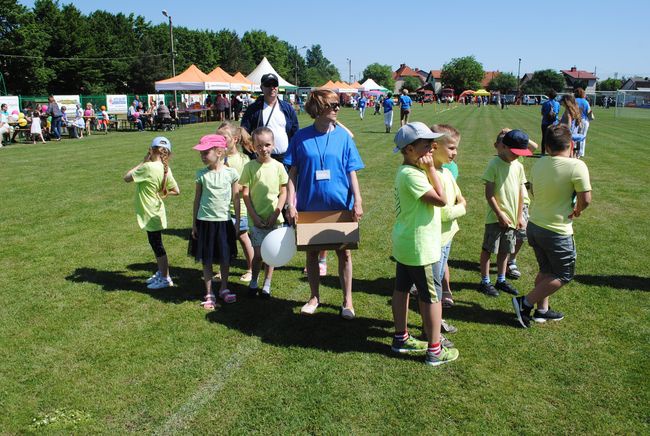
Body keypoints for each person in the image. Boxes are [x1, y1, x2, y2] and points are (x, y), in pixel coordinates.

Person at [285, 89, 364, 319]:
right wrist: (291, 203)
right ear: (319, 108)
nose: (337, 108)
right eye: (333, 105)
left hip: (341, 205)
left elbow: (352, 171)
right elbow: (293, 173)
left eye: (338, 104)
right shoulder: (300, 137)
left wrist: (357, 200)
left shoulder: (343, 137)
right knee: (311, 254)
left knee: (345, 254)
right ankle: (314, 297)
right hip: (309, 207)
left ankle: (347, 300)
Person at [390, 122, 459, 366]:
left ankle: (401, 339)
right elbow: (442, 200)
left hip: (407, 243)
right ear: (409, 149)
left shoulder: (409, 172)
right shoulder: (413, 175)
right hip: (420, 247)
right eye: (426, 144)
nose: (432, 147)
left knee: (401, 289)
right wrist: (431, 169)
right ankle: (435, 350)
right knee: (432, 297)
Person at [512, 124, 592, 327]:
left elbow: (535, 192)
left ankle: (542, 311)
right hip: (557, 230)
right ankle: (525, 303)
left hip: (535, 226)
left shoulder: (539, 164)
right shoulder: (577, 166)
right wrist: (578, 210)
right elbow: (586, 198)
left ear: (547, 146)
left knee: (546, 270)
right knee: (564, 275)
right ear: (571, 143)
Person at [478, 129, 532, 297]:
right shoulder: (494, 164)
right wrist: (500, 214)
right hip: (495, 217)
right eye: (515, 152)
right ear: (504, 147)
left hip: (512, 218)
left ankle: (501, 280)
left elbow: (521, 193)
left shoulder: (519, 166)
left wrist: (518, 216)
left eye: (520, 153)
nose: (517, 156)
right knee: (488, 249)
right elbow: (489, 194)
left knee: (505, 250)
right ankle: (485, 281)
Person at [123, 136, 180, 290]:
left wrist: (144, 161)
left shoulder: (147, 167)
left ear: (151, 150)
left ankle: (165, 277)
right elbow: (176, 190)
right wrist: (162, 194)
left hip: (150, 212)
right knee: (156, 244)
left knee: (157, 245)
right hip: (156, 211)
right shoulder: (165, 168)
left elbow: (127, 178)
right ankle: (161, 272)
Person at [191, 134, 240, 308]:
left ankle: (224, 288)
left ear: (219, 152)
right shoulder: (201, 175)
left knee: (225, 257)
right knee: (207, 259)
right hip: (205, 222)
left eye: (206, 152)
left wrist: (238, 221)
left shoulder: (231, 174)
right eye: (201, 153)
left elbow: (236, 199)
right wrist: (194, 223)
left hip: (224, 221)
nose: (202, 156)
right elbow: (197, 200)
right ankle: (209, 291)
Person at [240, 127, 288, 298]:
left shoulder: (279, 167)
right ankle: (254, 280)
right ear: (253, 146)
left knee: (271, 255)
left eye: (267, 145)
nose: (264, 149)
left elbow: (284, 192)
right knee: (259, 254)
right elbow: (245, 193)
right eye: (259, 145)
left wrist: (276, 213)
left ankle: (267, 283)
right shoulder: (250, 167)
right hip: (257, 220)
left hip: (274, 219)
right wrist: (253, 216)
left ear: (273, 145)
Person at [430, 124, 465, 308]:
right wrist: (462, 208)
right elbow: (445, 212)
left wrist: (461, 203)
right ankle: (432, 327)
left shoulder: (446, 171)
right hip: (437, 239)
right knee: (433, 284)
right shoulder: (432, 174)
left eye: (456, 148)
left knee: (439, 273)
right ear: (434, 147)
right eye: (451, 148)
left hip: (447, 235)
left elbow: (459, 195)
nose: (455, 152)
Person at [218, 122, 254, 283]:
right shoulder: (218, 158)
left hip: (239, 207)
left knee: (243, 237)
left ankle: (252, 269)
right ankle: (222, 270)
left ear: (235, 139)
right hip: (221, 208)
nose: (220, 140)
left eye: (223, 138)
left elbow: (244, 184)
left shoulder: (242, 159)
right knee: (223, 240)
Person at [241, 73, 299, 163]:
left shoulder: (287, 108)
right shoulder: (253, 109)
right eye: (268, 85)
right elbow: (244, 133)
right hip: (262, 159)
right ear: (261, 87)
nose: (272, 88)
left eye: (275, 85)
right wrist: (251, 155)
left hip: (285, 159)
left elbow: (295, 133)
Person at [573, 88, 593, 158]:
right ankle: (580, 153)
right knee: (582, 137)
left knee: (574, 136)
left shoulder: (574, 101)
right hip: (583, 120)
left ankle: (574, 151)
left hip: (574, 120)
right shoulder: (585, 102)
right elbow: (589, 112)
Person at [540, 90, 560, 155]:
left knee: (544, 138)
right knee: (554, 138)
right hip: (554, 123)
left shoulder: (545, 103)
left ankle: (543, 152)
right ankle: (553, 152)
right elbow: (558, 112)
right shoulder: (557, 104)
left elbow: (542, 113)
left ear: (549, 96)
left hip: (545, 122)